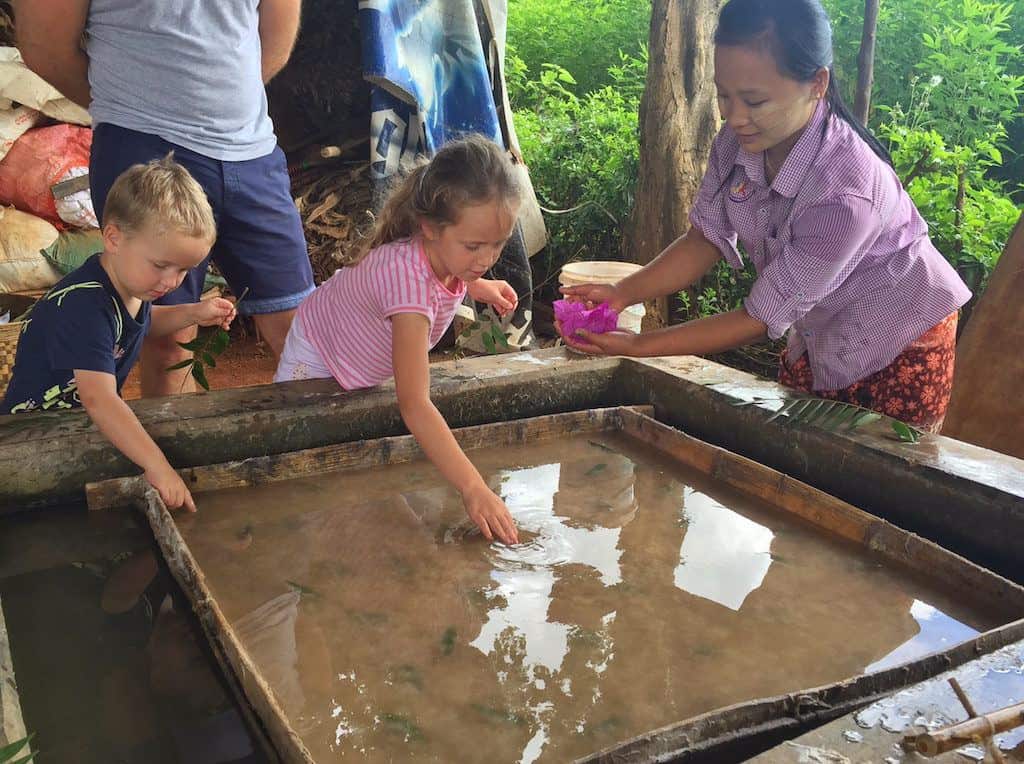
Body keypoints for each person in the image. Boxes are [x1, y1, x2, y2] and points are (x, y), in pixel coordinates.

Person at [559, 0, 971, 432]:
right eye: (723, 95)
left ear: (816, 83)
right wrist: (623, 293)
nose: (733, 117)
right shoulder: (737, 141)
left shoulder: (845, 192)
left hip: (900, 336)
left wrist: (642, 346)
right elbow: (705, 239)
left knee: (874, 478)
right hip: (820, 327)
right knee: (799, 455)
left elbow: (759, 317)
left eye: (754, 101)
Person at [17, 0, 312, 397]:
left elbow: (277, 26)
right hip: (144, 140)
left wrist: (221, 106)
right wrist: (129, 105)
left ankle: (322, 458)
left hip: (251, 148)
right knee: (169, 337)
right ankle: (172, 460)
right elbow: (45, 48)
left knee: (301, 327)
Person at [274, 135, 521, 544]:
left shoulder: (447, 256)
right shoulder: (409, 293)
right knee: (306, 465)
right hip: (320, 354)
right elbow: (415, 404)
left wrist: (481, 285)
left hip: (357, 352)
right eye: (474, 246)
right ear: (430, 227)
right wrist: (473, 487)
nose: (485, 258)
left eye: (497, 245)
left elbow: (453, 268)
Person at [1, 157, 236, 511]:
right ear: (113, 237)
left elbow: (137, 326)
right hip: (31, 438)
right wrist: (157, 466)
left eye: (184, 270)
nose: (171, 282)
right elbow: (101, 400)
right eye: (160, 265)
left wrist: (194, 312)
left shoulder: (129, 285)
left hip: (77, 426)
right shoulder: (85, 305)